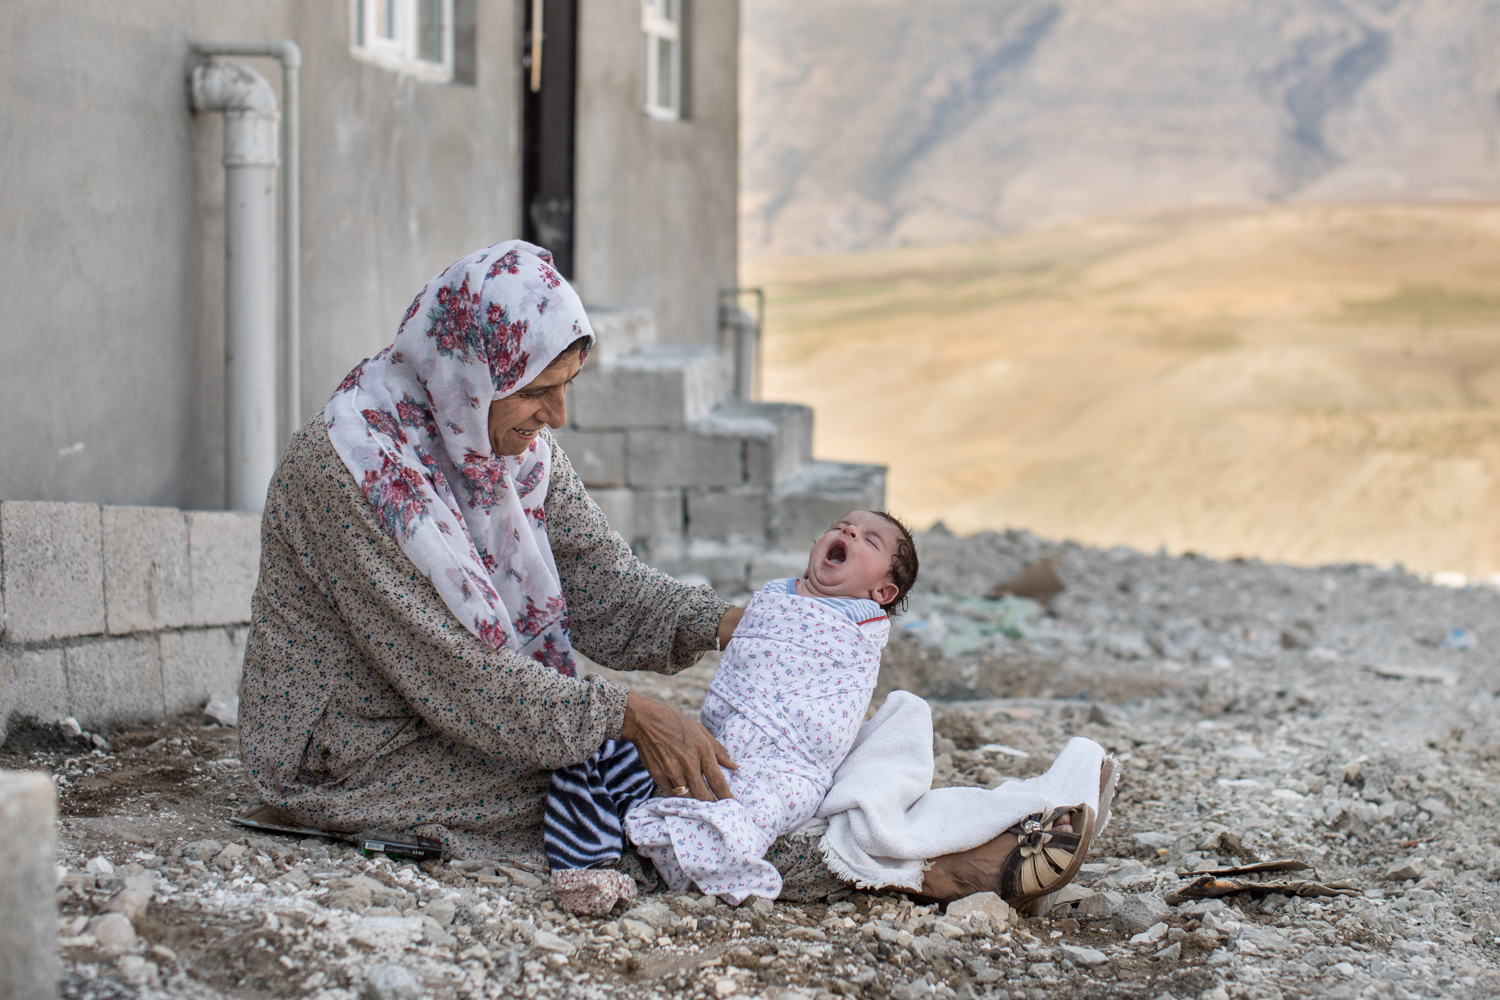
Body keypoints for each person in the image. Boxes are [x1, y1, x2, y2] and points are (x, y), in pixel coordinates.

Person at [238, 239, 1111, 914]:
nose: (557, 417)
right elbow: (456, 680)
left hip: (459, 710)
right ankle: (935, 868)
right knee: (648, 793)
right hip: (348, 752)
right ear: (469, 374)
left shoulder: (509, 449)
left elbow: (606, 588)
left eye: (567, 386)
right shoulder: (351, 471)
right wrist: (622, 710)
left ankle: (940, 825)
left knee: (726, 762)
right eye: (539, 392)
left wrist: (736, 626)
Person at [545, 510, 917, 906]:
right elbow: (749, 654)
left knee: (758, 804)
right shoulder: (778, 596)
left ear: (883, 593)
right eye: (841, 526)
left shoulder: (861, 629)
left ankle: (706, 854)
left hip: (789, 761)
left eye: (869, 540)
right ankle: (596, 858)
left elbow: (834, 704)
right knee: (601, 756)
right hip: (727, 737)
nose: (850, 531)